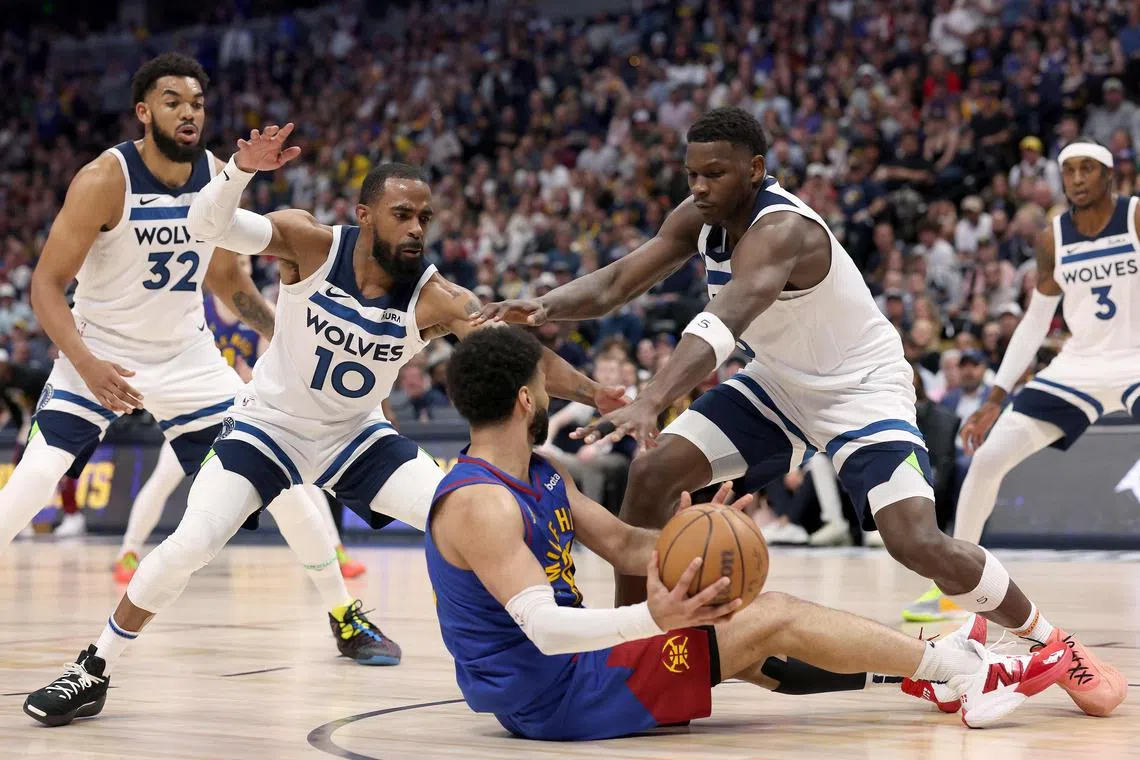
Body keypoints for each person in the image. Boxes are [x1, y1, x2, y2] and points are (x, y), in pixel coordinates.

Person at [476, 107, 1126, 719]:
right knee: (652, 475)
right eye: (693, 174)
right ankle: (636, 649)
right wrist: (541, 306)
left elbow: (724, 322)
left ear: (755, 169)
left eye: (716, 173)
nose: (701, 187)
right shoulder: (700, 217)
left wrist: (652, 397)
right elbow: (619, 281)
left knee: (914, 542)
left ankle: (1053, 642)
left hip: (860, 388)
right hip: (779, 385)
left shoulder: (784, 228)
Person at [23, 122, 620, 726]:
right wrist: (240, 170)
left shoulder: (434, 294)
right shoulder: (310, 242)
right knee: (190, 545)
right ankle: (92, 668)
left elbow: (522, 353)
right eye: (402, 214)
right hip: (269, 427)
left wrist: (599, 393)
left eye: (425, 218)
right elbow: (208, 226)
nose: (416, 228)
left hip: (355, 436)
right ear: (365, 214)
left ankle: (551, 638)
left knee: (466, 511)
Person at [10, 55, 408, 728]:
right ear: (144, 112)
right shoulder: (105, 178)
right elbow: (44, 285)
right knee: (31, 482)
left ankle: (345, 615)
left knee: (284, 485)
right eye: (172, 101)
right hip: (98, 351)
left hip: (190, 359)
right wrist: (86, 361)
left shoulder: (218, 180)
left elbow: (230, 284)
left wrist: (294, 339)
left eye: (196, 101)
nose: (189, 111)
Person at [426, 326, 1072, 739]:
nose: (549, 393)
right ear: (525, 401)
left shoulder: (537, 474)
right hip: (553, 695)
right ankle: (961, 669)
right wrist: (655, 616)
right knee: (773, 617)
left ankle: (920, 674)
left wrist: (700, 530)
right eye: (544, 386)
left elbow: (625, 544)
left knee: (750, 653)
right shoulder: (481, 501)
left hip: (567, 672)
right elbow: (546, 627)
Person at [903, 142, 1139, 667]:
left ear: (1109, 174)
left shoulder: (1135, 215)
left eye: (1087, 169)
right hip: (1078, 366)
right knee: (986, 460)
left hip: (1136, 357)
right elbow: (1036, 321)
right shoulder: (1052, 237)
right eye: (1068, 170)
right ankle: (952, 581)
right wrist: (994, 398)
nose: (1076, 178)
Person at [111, 254, 366, 582]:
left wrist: (252, 377)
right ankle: (128, 553)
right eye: (236, 264)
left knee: (300, 479)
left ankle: (335, 552)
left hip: (247, 413)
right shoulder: (193, 311)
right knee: (162, 479)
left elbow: (276, 372)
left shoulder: (262, 313)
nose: (240, 270)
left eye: (246, 265)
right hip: (196, 411)